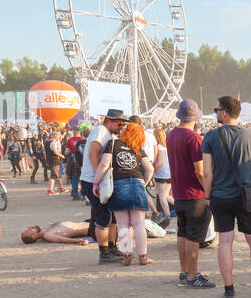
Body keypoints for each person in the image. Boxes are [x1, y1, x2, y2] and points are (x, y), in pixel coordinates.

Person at [201, 96, 251, 298]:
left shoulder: (210, 137)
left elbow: (206, 172)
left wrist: (207, 195)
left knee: (225, 242)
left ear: (225, 112)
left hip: (220, 194)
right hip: (246, 194)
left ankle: (229, 288)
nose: (216, 113)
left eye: (217, 109)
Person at [166, 100, 215, 288]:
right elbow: (200, 171)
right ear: (196, 117)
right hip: (195, 194)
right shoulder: (194, 138)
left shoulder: (171, 135)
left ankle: (185, 271)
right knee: (194, 236)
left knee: (183, 233)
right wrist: (208, 192)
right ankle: (193, 276)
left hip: (179, 192)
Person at [95, 116, 154, 266]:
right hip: (137, 183)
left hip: (119, 184)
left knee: (123, 224)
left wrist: (96, 183)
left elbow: (104, 164)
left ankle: (127, 256)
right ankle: (143, 257)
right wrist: (143, 183)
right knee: (139, 223)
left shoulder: (113, 144)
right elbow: (150, 169)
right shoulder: (137, 148)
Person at [81, 111, 122, 264]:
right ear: (109, 121)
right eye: (119, 124)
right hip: (92, 180)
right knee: (103, 216)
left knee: (112, 216)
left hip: (98, 180)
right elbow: (93, 154)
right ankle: (104, 252)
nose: (121, 127)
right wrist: (101, 178)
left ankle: (112, 247)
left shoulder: (108, 133)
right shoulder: (100, 131)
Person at [151, 127, 172, 220]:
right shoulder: (167, 147)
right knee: (166, 195)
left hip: (161, 174)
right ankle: (182, 208)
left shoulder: (159, 147)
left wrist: (153, 171)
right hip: (169, 173)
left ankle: (168, 215)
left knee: (162, 196)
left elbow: (160, 163)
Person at [21, 220, 92, 244]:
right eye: (28, 230)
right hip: (90, 228)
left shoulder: (47, 231)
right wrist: (78, 241)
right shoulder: (47, 235)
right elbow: (62, 239)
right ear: (34, 236)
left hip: (87, 223)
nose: (30, 227)